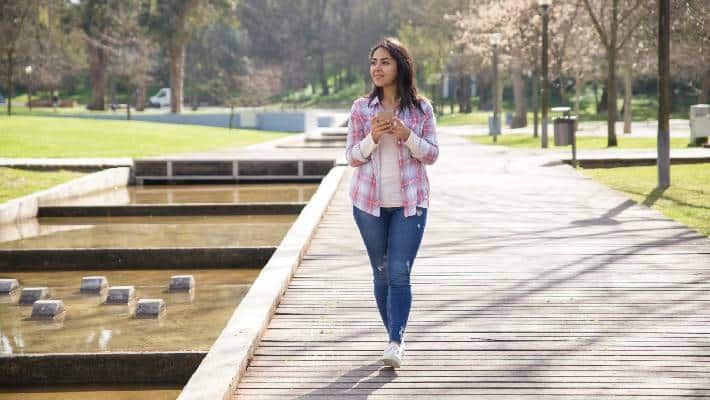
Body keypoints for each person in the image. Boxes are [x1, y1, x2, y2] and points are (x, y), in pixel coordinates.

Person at [345, 37, 439, 369]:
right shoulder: (361, 109)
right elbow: (352, 158)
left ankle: (396, 342)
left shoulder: (421, 109)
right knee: (382, 272)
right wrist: (372, 138)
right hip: (368, 205)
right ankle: (393, 338)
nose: (377, 68)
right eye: (373, 62)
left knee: (400, 271)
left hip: (410, 204)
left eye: (385, 61)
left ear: (400, 65)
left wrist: (406, 135)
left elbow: (432, 155)